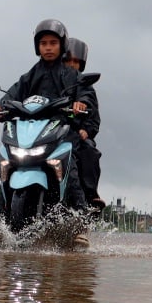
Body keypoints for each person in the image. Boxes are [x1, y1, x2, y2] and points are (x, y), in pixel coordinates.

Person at [0, 19, 93, 247]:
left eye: (53, 43)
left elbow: (84, 93)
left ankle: (81, 225)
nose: (48, 47)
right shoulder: (30, 75)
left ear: (61, 45)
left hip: (59, 131)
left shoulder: (71, 75)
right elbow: (12, 94)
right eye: (43, 43)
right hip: (30, 132)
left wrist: (80, 104)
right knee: (7, 166)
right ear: (37, 47)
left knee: (70, 168)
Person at [63, 36, 104, 212]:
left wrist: (86, 130)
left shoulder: (86, 86)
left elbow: (94, 118)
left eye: (76, 62)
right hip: (47, 133)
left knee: (89, 150)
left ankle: (90, 195)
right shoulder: (49, 82)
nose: (71, 64)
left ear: (81, 64)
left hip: (75, 135)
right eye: (68, 60)